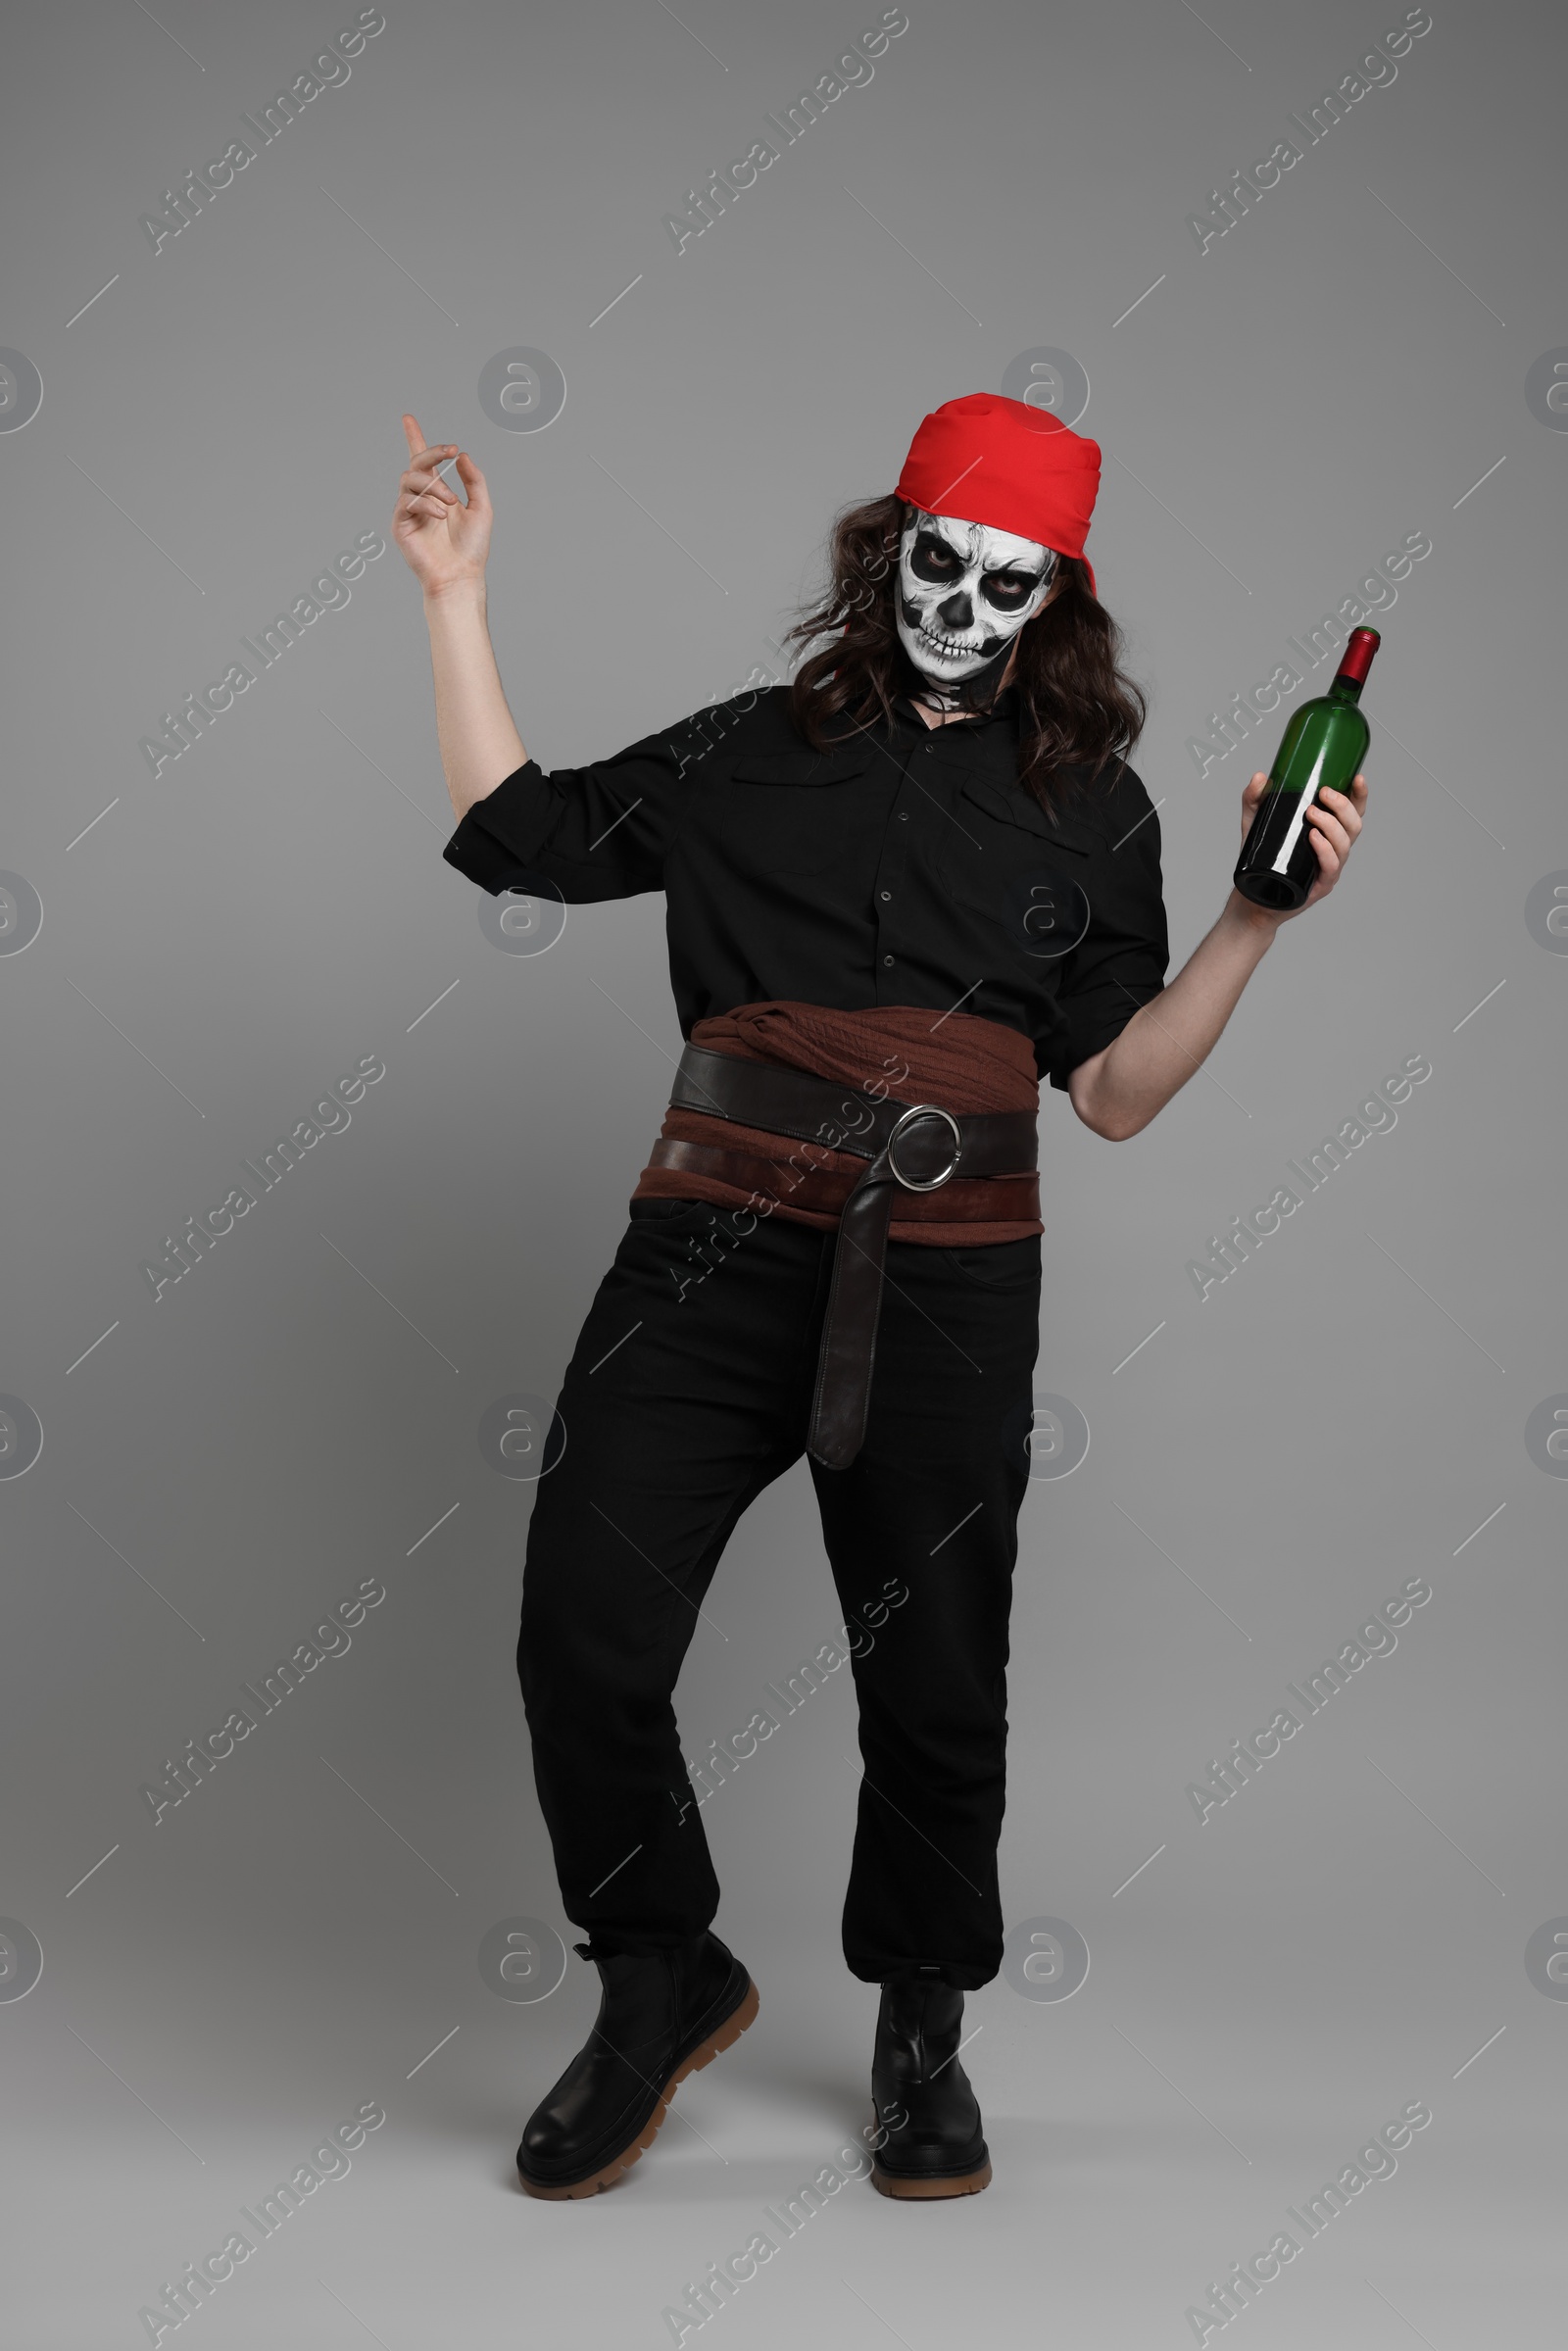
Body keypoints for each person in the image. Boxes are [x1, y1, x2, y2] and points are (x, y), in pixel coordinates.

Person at [391, 394, 1367, 2203]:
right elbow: (523, 835)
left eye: (1010, 584)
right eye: (938, 558)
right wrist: (456, 597)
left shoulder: (1096, 815)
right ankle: (655, 1974)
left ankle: (924, 2025)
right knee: (582, 1628)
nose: (961, 603)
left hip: (949, 1289)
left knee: (935, 1677)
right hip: (703, 1258)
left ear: (1051, 605)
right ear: (886, 551)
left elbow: (1122, 1092)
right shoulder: (749, 751)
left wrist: (1258, 920)